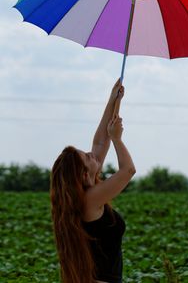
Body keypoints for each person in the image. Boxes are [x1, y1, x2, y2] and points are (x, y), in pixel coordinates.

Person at [50, 78, 136, 283]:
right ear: (83, 175)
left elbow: (99, 141)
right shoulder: (90, 199)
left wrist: (114, 99)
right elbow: (128, 170)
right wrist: (117, 139)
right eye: (87, 157)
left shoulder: (84, 194)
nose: (92, 153)